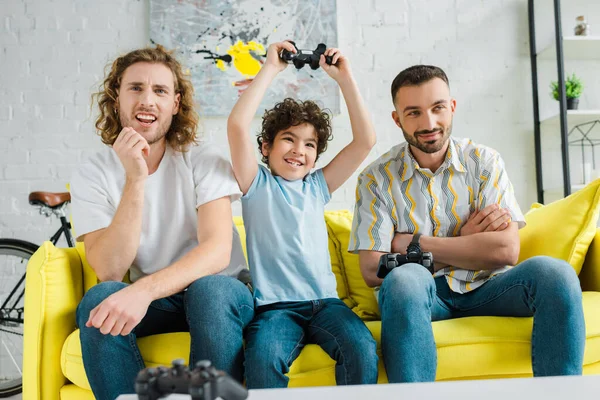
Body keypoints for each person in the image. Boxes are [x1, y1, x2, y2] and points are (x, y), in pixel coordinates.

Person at [349, 65, 585, 383]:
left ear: (453, 107)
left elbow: (505, 250)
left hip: (489, 287)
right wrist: (467, 242)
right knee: (404, 280)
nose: (429, 123)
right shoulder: (376, 179)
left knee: (556, 274)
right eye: (414, 112)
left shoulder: (484, 162)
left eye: (438, 108)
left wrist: (417, 243)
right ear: (397, 119)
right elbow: (372, 269)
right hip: (424, 294)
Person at [70, 45, 254, 400]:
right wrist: (135, 179)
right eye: (135, 88)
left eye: (160, 91)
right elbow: (110, 269)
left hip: (222, 293)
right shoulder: (93, 172)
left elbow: (216, 252)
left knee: (209, 290)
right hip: (159, 302)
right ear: (117, 97)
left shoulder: (202, 158)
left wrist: (142, 291)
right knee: (100, 299)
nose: (147, 100)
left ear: (176, 103)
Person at [226, 41, 378, 388]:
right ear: (265, 147)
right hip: (276, 309)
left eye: (309, 144)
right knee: (262, 360)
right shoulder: (256, 183)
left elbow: (365, 140)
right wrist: (271, 69)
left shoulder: (317, 186)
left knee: (362, 349)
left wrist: (345, 78)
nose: (299, 150)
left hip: (326, 305)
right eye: (288, 140)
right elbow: (237, 126)